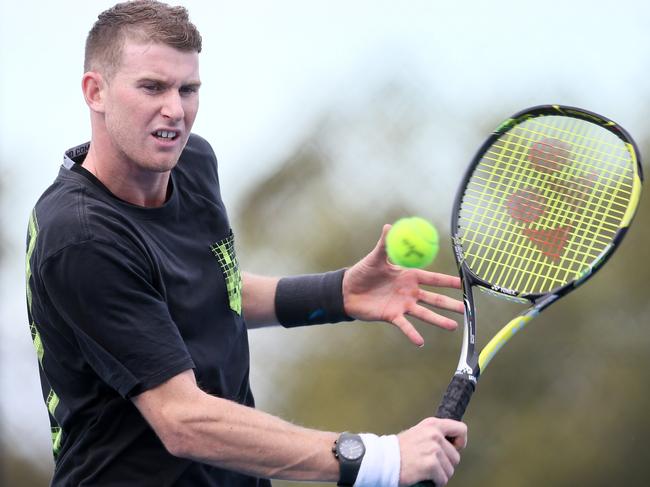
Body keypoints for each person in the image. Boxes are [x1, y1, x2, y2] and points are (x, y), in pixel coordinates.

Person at [25, 1, 468, 486]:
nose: (175, 108)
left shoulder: (192, 163)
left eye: (188, 88)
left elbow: (209, 291)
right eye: (152, 87)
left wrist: (337, 293)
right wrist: (382, 459)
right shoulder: (81, 237)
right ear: (96, 91)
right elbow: (184, 421)